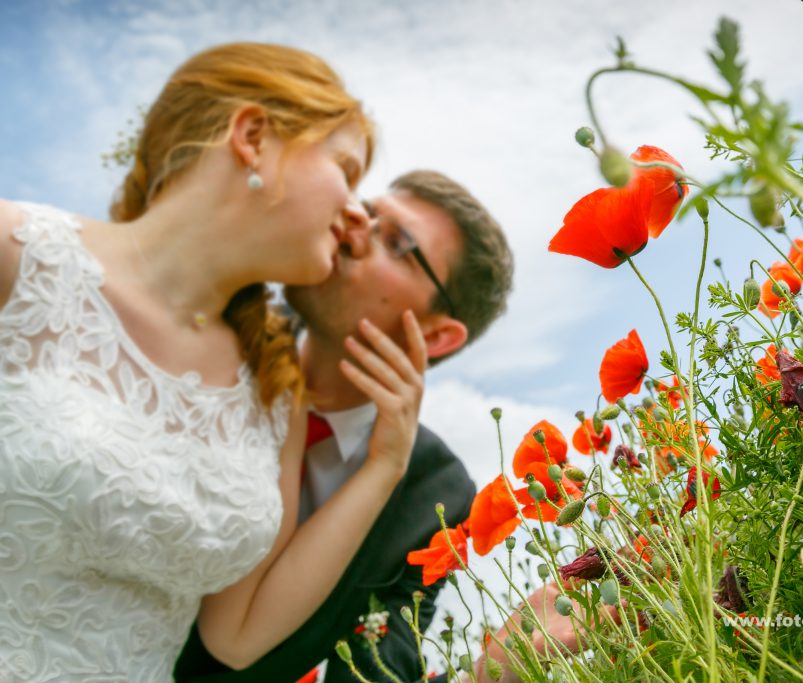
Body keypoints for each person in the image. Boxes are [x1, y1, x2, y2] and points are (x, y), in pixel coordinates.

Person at [0, 42, 426, 682]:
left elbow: (239, 635)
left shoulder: (274, 390)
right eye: (345, 170)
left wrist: (386, 466)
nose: (355, 215)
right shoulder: (20, 260)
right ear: (252, 136)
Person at [174, 170, 514, 683]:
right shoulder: (213, 323)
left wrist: (490, 674)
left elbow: (379, 672)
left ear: (437, 334)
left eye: (397, 241)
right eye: (367, 211)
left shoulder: (434, 493)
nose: (354, 227)